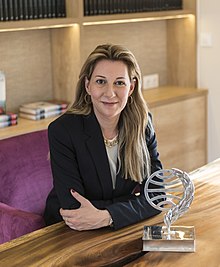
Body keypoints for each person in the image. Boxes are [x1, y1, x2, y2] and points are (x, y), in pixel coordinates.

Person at [44, 44, 162, 230]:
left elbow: (157, 196)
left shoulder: (142, 123)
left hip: (117, 225)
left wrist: (109, 216)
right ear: (87, 85)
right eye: (101, 81)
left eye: (119, 82)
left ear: (131, 88)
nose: (110, 93)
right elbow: (74, 208)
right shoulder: (63, 130)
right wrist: (132, 203)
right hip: (67, 230)